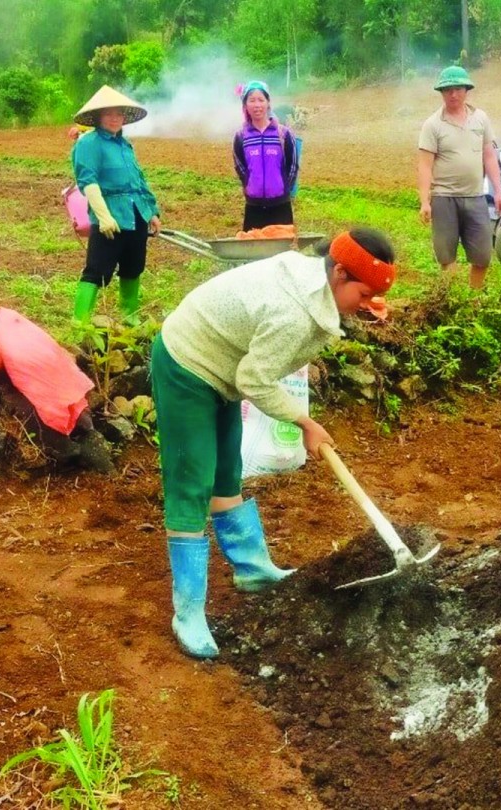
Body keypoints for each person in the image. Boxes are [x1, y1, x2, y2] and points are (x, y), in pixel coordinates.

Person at [151, 228, 397, 659]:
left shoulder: (317, 285)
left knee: (226, 472)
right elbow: (254, 379)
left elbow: (248, 376)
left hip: (222, 369)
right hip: (188, 362)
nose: (369, 305)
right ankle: (188, 612)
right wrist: (304, 422)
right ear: (339, 273)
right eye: (364, 293)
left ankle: (252, 569)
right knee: (192, 483)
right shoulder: (293, 309)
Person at [71, 85, 161, 327]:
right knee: (97, 270)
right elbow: (87, 180)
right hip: (110, 215)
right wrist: (103, 216)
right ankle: (80, 324)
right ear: (98, 118)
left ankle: (130, 317)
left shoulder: (125, 145)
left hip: (136, 212)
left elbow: (138, 179)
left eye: (118, 114)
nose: (114, 119)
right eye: (108, 114)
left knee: (133, 266)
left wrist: (151, 211)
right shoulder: (88, 143)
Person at [417, 65, 501, 289]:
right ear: (441, 93)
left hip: (475, 196)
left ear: (466, 90)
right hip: (444, 197)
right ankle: (453, 300)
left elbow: (489, 156)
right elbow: (425, 166)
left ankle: (473, 299)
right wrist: (425, 202)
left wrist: (497, 190)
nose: (453, 94)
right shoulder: (433, 124)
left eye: (457, 89)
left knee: (483, 255)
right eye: (447, 90)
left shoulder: (481, 119)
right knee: (446, 255)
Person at [233, 80, 300, 231]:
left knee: (282, 250)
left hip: (280, 205)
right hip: (254, 206)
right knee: (253, 249)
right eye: (252, 100)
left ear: (268, 103)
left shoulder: (283, 134)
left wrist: (284, 188)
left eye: (261, 100)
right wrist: (250, 185)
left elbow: (293, 166)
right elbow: (240, 166)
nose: (257, 105)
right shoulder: (241, 136)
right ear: (245, 106)